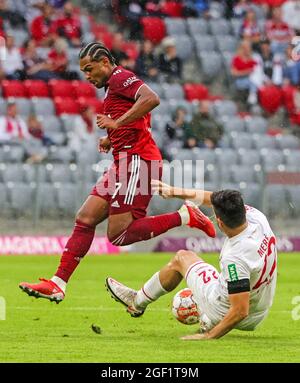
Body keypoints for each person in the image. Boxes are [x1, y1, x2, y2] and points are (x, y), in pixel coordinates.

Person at [19, 42, 216, 303]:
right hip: (123, 160)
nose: (87, 76)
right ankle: (58, 283)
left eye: (89, 69)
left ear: (104, 62)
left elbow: (151, 99)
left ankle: (185, 215)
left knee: (119, 234)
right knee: (86, 217)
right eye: (83, 72)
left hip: (138, 161)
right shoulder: (114, 86)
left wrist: (116, 123)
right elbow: (137, 121)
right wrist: (111, 137)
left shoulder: (121, 77)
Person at [106, 182, 277, 340]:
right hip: (260, 311)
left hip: (228, 311)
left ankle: (137, 302)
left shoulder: (235, 256)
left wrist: (209, 336)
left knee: (182, 257)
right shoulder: (257, 217)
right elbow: (215, 199)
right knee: (226, 279)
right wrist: (174, 192)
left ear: (219, 222)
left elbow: (240, 311)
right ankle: (207, 319)